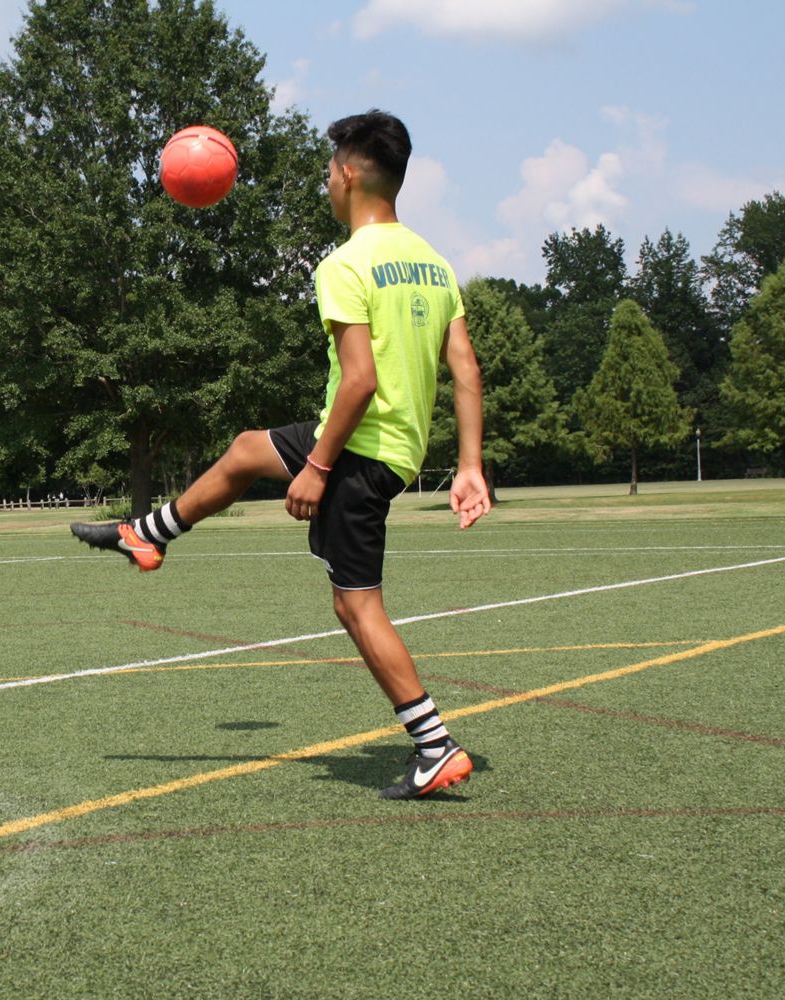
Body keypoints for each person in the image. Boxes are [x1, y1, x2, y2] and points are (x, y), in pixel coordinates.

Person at [71, 110, 491, 800]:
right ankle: (147, 536)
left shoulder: (346, 265)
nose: (326, 183)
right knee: (244, 452)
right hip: (380, 444)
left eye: (329, 170)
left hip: (356, 452)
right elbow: (466, 369)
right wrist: (470, 464)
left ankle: (434, 745)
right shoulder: (432, 263)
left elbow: (360, 380)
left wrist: (318, 469)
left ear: (351, 173)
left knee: (357, 607)